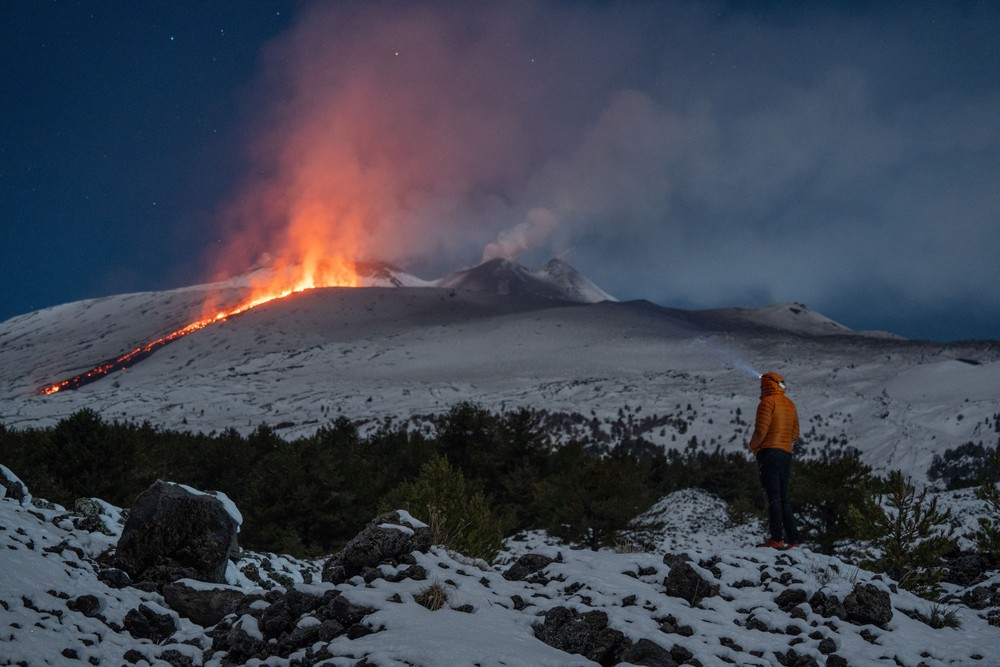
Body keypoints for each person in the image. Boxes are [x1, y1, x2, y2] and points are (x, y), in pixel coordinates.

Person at [748, 371, 801, 549]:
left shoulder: (767, 402)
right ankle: (794, 540)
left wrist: (753, 447)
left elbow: (760, 431)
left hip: (769, 453)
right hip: (786, 454)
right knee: (783, 497)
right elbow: (795, 434)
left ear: (767, 385)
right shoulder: (789, 404)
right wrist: (784, 443)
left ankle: (776, 539)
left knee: (773, 497)